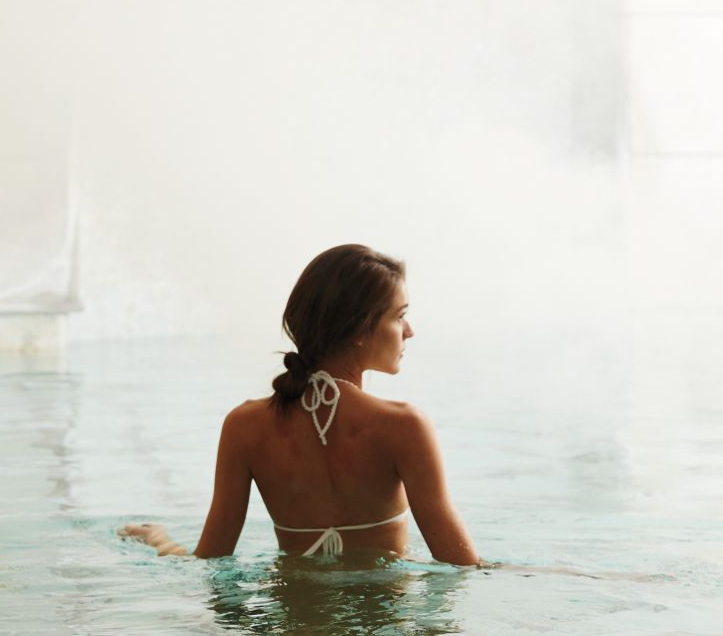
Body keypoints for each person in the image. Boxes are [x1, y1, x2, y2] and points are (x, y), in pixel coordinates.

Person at [119, 243, 482, 566]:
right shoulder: (404, 426)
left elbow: (209, 563)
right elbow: (462, 565)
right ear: (360, 330)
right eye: (399, 316)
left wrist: (158, 540)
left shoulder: (244, 425)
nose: (409, 331)